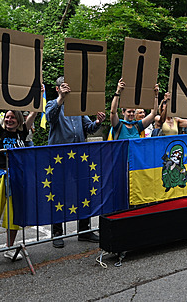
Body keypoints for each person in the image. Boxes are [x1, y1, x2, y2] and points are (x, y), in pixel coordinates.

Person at [0, 78, 40, 269]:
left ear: (19, 120)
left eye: (12, 117)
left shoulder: (22, 132)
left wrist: (38, 95)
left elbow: (34, 112)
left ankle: (9, 248)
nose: (9, 120)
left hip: (17, 179)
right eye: (7, 117)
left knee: (14, 216)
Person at [45, 77, 106, 248]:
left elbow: (89, 128)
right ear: (58, 89)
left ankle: (85, 230)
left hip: (79, 156)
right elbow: (50, 118)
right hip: (59, 157)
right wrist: (61, 99)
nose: (68, 91)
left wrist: (97, 122)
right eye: (64, 88)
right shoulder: (52, 103)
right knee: (58, 193)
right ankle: (57, 232)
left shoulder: (78, 108)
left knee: (84, 191)